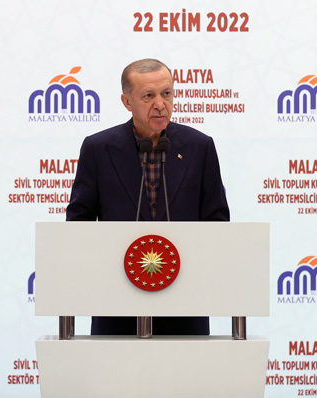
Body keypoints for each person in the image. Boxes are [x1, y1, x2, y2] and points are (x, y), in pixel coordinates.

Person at [66, 58, 229, 336]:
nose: (160, 104)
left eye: (166, 93)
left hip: (184, 300)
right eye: (148, 96)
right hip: (116, 300)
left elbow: (217, 221)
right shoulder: (98, 148)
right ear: (126, 101)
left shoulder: (199, 146)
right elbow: (79, 222)